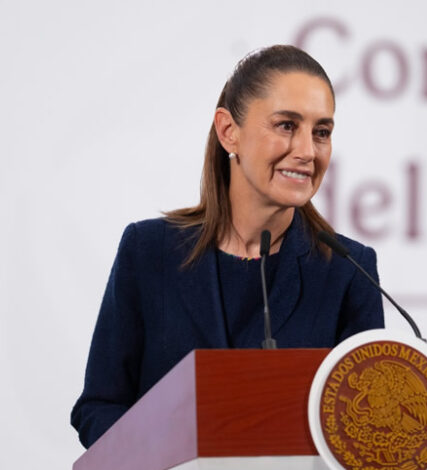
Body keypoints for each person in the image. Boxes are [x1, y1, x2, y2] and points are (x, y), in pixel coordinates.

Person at [70, 45, 385, 449]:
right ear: (228, 131)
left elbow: (368, 430)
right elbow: (100, 407)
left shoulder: (348, 269)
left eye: (321, 132)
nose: (308, 151)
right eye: (287, 125)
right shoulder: (148, 251)